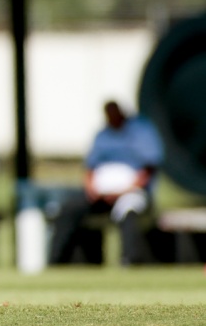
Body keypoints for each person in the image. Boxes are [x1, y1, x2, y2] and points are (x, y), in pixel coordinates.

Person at [48, 100, 164, 266]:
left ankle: (129, 260)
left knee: (127, 212)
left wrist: (124, 190)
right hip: (100, 194)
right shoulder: (102, 135)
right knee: (69, 209)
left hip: (131, 191)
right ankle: (56, 261)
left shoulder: (141, 132)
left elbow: (148, 169)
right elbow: (90, 168)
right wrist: (92, 189)